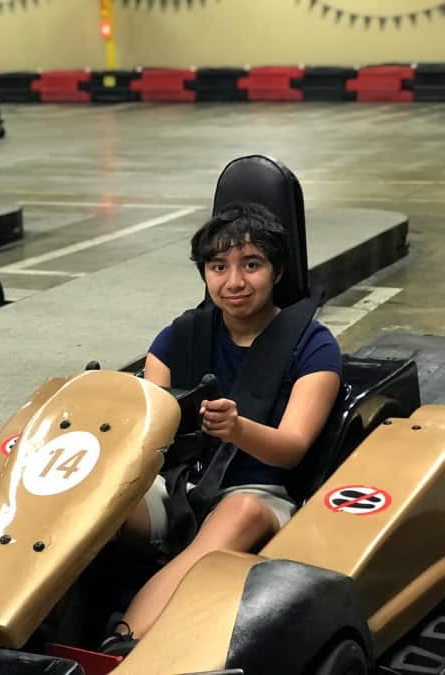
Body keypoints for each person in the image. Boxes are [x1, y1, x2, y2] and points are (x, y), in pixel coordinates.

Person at [103, 201, 342, 655]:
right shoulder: (181, 336)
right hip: (176, 484)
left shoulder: (312, 346)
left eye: (251, 265)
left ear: (276, 271)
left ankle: (123, 646)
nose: (234, 282)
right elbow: (148, 430)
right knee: (94, 497)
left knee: (238, 515)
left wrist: (237, 429)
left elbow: (291, 449)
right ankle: (6, 618)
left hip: (260, 493)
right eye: (218, 266)